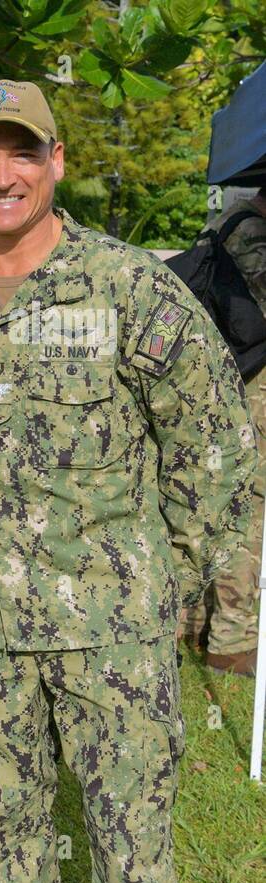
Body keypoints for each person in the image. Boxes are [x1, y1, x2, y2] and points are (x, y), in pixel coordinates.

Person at [0, 80, 257, 883]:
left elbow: (215, 442)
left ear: (58, 161)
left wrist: (167, 583)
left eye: (23, 152)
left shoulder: (131, 288)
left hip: (113, 632)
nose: (2, 174)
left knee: (134, 864)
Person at [181, 187, 266, 674]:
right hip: (251, 390)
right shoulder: (254, 230)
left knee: (209, 503)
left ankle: (192, 622)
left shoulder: (226, 219)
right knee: (249, 513)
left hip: (223, 383)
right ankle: (232, 641)